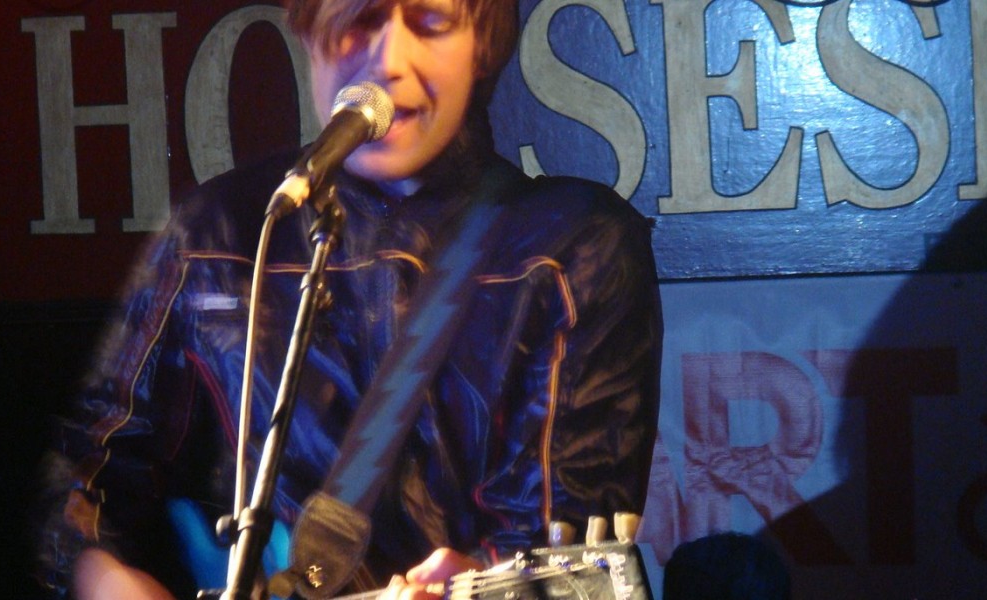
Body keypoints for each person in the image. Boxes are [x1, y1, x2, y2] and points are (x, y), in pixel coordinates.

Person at [37, 0, 663, 598]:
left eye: (431, 23)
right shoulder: (214, 235)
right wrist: (105, 577)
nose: (388, 60)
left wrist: (477, 573)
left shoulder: (573, 248)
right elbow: (85, 478)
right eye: (359, 22)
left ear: (484, 47)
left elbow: (560, 540)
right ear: (308, 33)